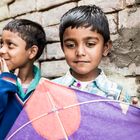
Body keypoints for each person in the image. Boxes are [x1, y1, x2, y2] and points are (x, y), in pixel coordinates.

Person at [52, 5, 131, 102]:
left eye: (90, 44)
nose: (80, 52)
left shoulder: (118, 95)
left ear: (105, 48)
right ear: (62, 48)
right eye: (71, 45)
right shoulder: (49, 91)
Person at [0, 19, 47, 139]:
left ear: (32, 52)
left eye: (10, 45)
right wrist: (5, 82)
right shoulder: (2, 83)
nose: (1, 50)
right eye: (1, 44)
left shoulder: (46, 91)